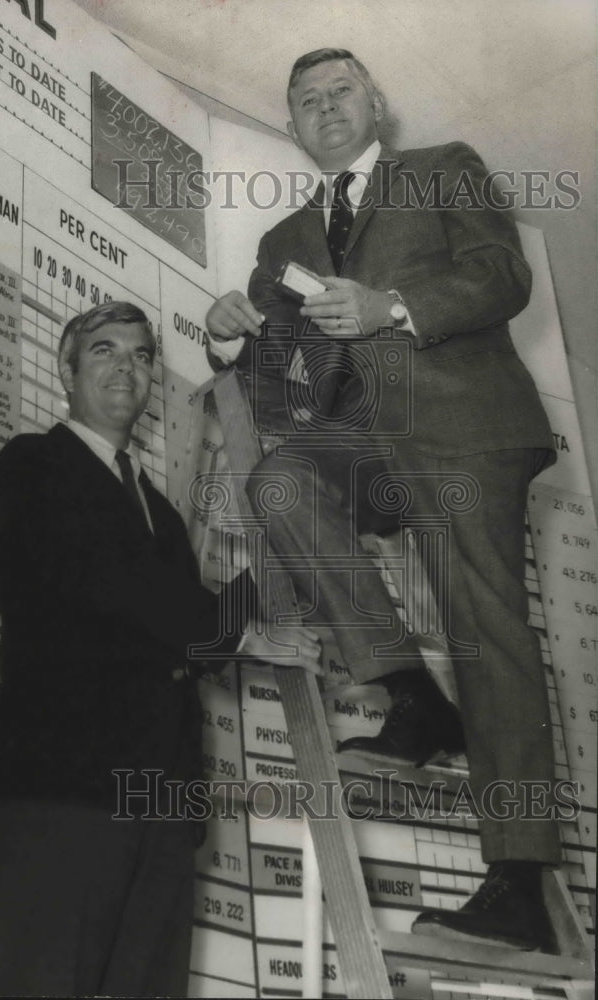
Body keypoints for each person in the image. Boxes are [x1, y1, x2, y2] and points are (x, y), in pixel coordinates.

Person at [205, 48, 560, 951]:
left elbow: (502, 277)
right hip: (361, 445)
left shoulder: (445, 170)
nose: (326, 107)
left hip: (463, 429)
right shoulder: (281, 243)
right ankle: (411, 695)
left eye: (342, 91)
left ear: (377, 103)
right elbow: (277, 376)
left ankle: (518, 881)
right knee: (280, 480)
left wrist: (390, 306)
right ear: (292, 128)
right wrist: (224, 337)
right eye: (307, 102)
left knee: (488, 631)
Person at [0, 301, 321, 997]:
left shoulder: (160, 514)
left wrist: (280, 547)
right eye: (103, 350)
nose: (125, 367)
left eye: (139, 355)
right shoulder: (34, 464)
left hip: (162, 813)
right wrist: (250, 635)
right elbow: (109, 582)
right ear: (66, 370)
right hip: (62, 798)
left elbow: (183, 641)